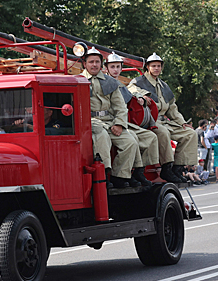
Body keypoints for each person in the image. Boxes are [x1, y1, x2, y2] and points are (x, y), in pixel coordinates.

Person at [128, 53, 197, 183]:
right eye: (153, 66)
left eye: (158, 66)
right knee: (163, 133)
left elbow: (172, 109)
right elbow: (131, 90)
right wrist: (142, 95)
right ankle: (166, 167)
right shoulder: (138, 81)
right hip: (150, 120)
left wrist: (182, 123)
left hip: (165, 121)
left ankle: (178, 167)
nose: (156, 68)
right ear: (147, 67)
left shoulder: (164, 85)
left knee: (190, 133)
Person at [81, 47, 142, 188]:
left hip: (109, 121)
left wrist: (119, 123)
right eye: (91, 62)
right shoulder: (78, 80)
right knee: (102, 137)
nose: (94, 65)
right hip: (90, 121)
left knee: (130, 142)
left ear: (101, 64)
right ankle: (104, 175)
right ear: (85, 64)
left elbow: (120, 106)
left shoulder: (110, 82)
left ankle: (119, 176)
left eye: (97, 62)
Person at [104, 52, 158, 186]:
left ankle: (138, 171)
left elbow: (129, 92)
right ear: (106, 68)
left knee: (150, 136)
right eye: (112, 67)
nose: (115, 70)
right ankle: (123, 174)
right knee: (132, 137)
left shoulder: (120, 84)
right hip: (110, 121)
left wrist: (139, 96)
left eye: (118, 67)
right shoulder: (105, 82)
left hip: (122, 121)